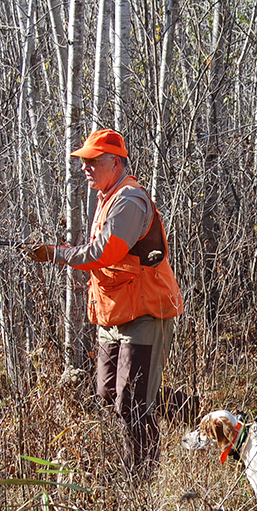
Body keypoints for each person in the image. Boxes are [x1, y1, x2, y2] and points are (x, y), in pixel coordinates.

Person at [27, 129, 182, 479]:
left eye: (93, 161)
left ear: (116, 162)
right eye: (84, 161)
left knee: (133, 403)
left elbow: (103, 253)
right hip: (114, 313)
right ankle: (190, 410)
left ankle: (141, 482)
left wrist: (54, 254)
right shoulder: (107, 197)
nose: (86, 167)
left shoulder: (129, 199)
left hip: (145, 311)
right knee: (108, 392)